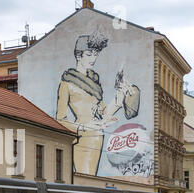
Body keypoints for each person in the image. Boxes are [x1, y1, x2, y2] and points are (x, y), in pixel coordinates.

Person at [56, 31, 140, 175]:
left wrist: (119, 98)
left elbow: (104, 112)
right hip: (82, 136)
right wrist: (83, 126)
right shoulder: (66, 83)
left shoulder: (95, 80)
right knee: (86, 177)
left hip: (97, 135)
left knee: (92, 178)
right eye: (89, 54)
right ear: (78, 56)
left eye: (95, 54)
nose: (93, 58)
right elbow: (60, 120)